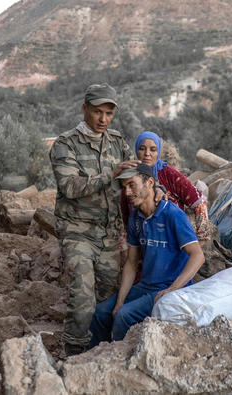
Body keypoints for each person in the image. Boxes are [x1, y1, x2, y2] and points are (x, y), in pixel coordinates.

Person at [50, 83, 155, 356]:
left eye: (108, 114)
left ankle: (100, 352)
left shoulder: (117, 142)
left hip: (109, 234)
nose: (103, 120)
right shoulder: (65, 144)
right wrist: (110, 174)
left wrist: (157, 187)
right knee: (82, 299)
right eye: (97, 112)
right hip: (77, 231)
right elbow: (70, 187)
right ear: (85, 109)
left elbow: (133, 180)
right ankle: (74, 355)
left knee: (107, 299)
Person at [89, 164, 205, 346]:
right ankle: (94, 358)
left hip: (168, 288)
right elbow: (131, 262)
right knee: (101, 312)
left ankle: (117, 360)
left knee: (123, 315)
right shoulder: (136, 217)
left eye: (132, 185)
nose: (127, 192)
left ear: (150, 182)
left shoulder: (173, 214)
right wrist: (120, 300)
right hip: (145, 286)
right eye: (124, 187)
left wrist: (172, 290)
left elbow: (198, 256)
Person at [122, 131, 210, 243]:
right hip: (142, 243)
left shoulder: (168, 174)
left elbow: (199, 202)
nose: (147, 154)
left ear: (158, 152)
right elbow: (126, 215)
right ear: (136, 151)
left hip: (172, 241)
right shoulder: (129, 177)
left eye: (153, 150)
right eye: (142, 149)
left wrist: (201, 240)